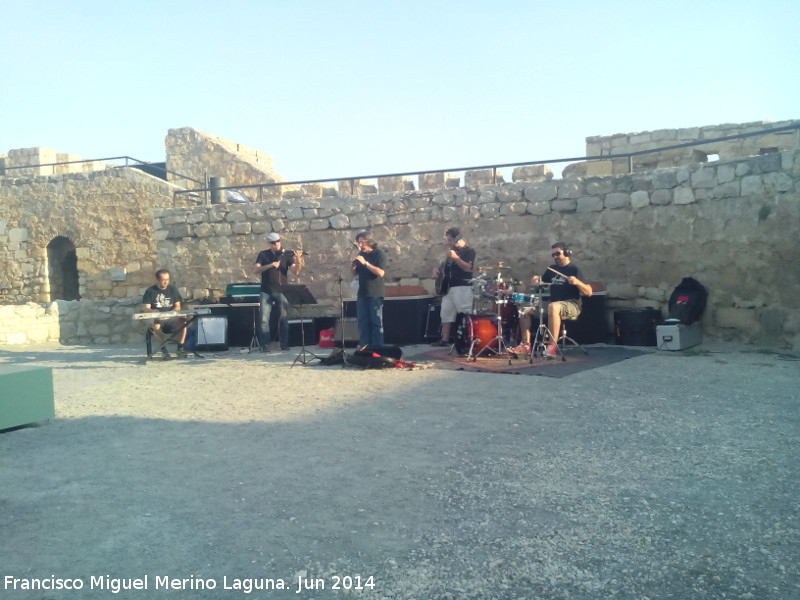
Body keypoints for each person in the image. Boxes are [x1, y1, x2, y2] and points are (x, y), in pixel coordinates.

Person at [517, 242, 592, 356]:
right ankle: (525, 345)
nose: (555, 257)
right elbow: (542, 285)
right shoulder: (551, 269)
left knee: (553, 306)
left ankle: (552, 346)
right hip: (552, 304)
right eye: (553, 255)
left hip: (572, 305)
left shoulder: (574, 269)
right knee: (525, 306)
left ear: (567, 253)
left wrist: (577, 282)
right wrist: (536, 282)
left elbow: (589, 292)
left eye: (558, 253)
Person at [254, 233, 304, 351]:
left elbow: (296, 272)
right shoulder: (263, 254)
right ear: (269, 244)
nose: (275, 244)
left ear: (280, 241)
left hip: (282, 290)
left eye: (277, 241)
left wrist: (299, 260)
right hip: (266, 291)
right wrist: (270, 265)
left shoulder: (286, 255)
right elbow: (256, 270)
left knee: (283, 318)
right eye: (272, 242)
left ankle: (284, 344)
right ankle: (265, 345)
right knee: (264, 318)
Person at [431, 227, 476, 347]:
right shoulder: (451, 251)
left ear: (458, 238)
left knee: (464, 313)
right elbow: (445, 267)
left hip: (462, 286)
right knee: (445, 313)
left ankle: (467, 339)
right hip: (448, 287)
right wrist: (436, 269)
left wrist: (456, 257)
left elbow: (467, 267)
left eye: (451, 240)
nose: (449, 242)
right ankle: (444, 339)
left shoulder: (469, 251)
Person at [351, 231, 387, 347]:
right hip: (362, 293)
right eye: (358, 242)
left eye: (362, 242)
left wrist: (365, 263)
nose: (360, 244)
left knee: (376, 322)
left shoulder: (379, 254)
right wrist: (353, 268)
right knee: (362, 323)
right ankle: (365, 348)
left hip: (375, 293)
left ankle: (378, 349)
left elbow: (381, 272)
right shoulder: (360, 255)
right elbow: (354, 274)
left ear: (369, 241)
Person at [142, 268, 188, 358]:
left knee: (183, 322)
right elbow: (146, 308)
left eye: (167, 279)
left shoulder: (172, 289)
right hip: (158, 318)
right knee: (156, 324)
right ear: (158, 280)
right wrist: (152, 311)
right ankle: (163, 350)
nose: (166, 282)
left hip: (170, 318)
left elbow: (177, 305)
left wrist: (175, 311)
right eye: (163, 280)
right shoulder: (150, 291)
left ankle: (180, 348)